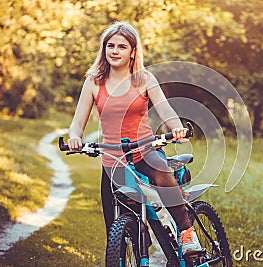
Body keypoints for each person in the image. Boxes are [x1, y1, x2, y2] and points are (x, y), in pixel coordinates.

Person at [67, 21, 201, 255]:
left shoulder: (144, 79)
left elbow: (165, 108)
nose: (115, 51)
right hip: (112, 160)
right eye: (110, 46)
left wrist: (177, 128)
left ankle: (187, 232)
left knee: (161, 173)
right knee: (115, 233)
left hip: (145, 151)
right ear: (104, 49)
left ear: (132, 52)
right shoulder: (94, 81)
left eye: (121, 46)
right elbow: (78, 121)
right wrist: (74, 137)